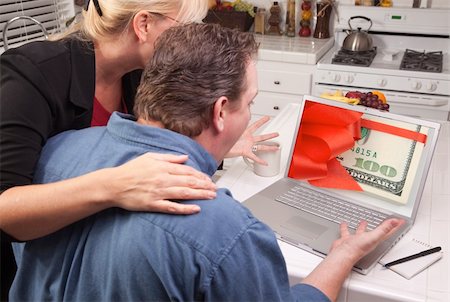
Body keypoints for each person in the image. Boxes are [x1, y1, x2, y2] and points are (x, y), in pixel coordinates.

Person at [10, 23, 405, 302]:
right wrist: (342, 256)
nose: (249, 112)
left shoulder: (55, 153)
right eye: (249, 103)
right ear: (220, 112)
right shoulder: (226, 231)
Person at [0, 0, 278, 299]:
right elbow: (5, 208)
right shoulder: (32, 75)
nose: (191, 37)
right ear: (143, 24)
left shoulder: (139, 72)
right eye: (184, 26)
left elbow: (152, 137)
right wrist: (115, 185)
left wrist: (220, 142)